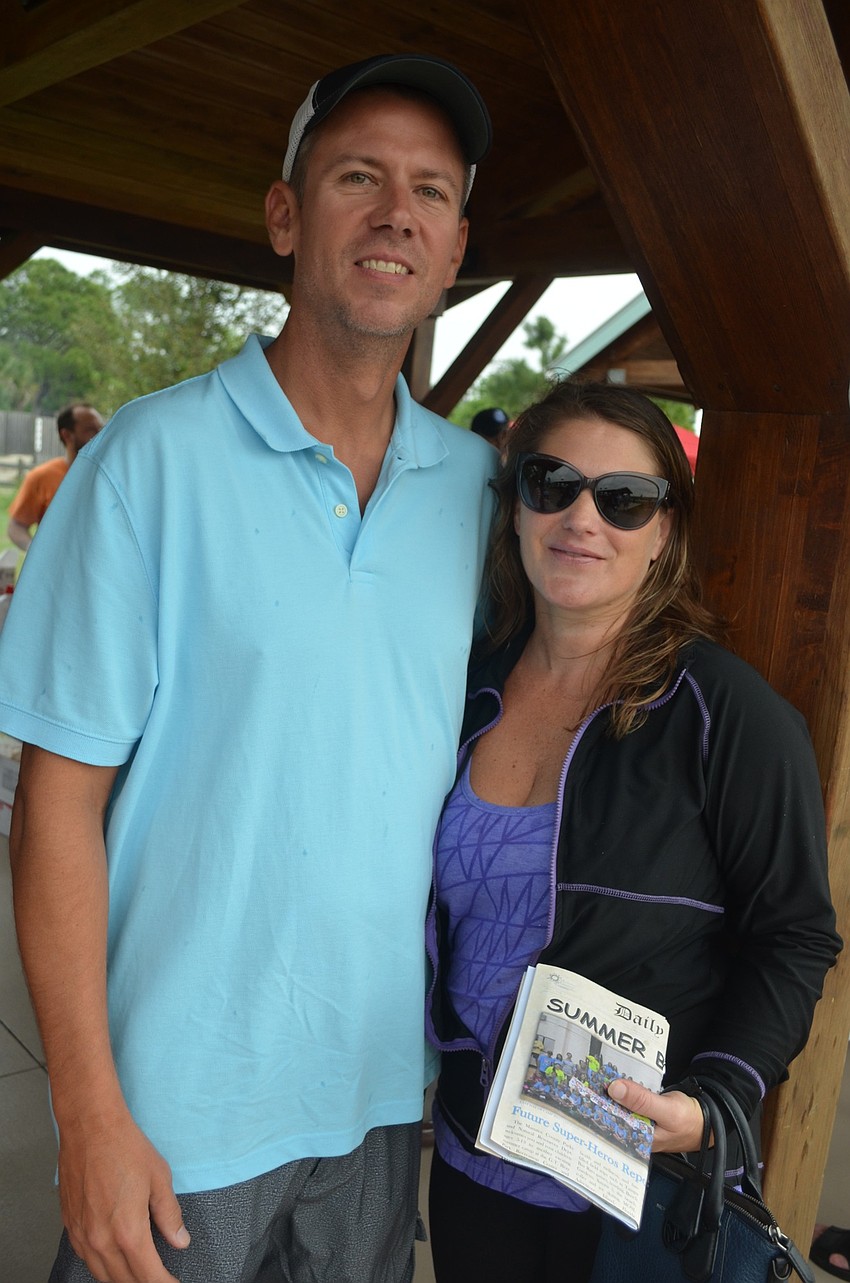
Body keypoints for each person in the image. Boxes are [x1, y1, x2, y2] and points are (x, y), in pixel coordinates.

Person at [0, 54, 496, 1283]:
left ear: (455, 248)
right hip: (176, 1107)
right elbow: (55, 803)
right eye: (357, 177)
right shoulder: (146, 463)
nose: (396, 214)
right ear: (284, 215)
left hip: (378, 1094)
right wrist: (87, 1110)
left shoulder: (481, 494)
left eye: (431, 191)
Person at [425, 379, 841, 1283]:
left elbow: (795, 934)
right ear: (516, 506)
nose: (583, 517)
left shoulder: (726, 713)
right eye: (552, 483)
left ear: (664, 534)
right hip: (471, 1161)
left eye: (624, 498)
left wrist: (717, 1096)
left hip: (634, 1191)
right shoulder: (462, 684)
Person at [6, 403, 103, 550]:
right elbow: (16, 526)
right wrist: (36, 551)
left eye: (101, 428)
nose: (100, 434)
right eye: (90, 429)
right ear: (66, 435)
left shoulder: (111, 477)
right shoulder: (42, 476)